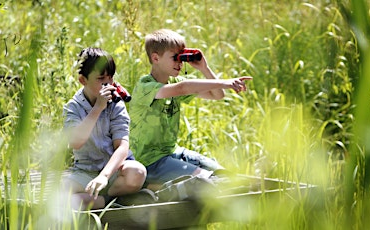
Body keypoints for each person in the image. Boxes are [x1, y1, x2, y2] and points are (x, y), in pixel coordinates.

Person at [129, 29, 252, 191]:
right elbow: (183, 88)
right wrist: (226, 82)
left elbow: (217, 95)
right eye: (175, 58)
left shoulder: (174, 81)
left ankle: (162, 186)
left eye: (182, 58)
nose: (180, 63)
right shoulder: (145, 87)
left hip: (173, 153)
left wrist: (204, 68)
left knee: (222, 174)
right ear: (155, 58)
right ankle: (153, 187)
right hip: (149, 161)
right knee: (206, 181)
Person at [62, 47, 147, 210]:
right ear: (83, 80)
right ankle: (111, 201)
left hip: (115, 170)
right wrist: (97, 108)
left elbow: (122, 147)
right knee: (60, 194)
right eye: (101, 78)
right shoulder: (73, 107)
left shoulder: (116, 104)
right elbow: (75, 143)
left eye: (110, 77)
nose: (108, 83)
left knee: (138, 172)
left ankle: (97, 198)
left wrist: (104, 176)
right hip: (85, 171)